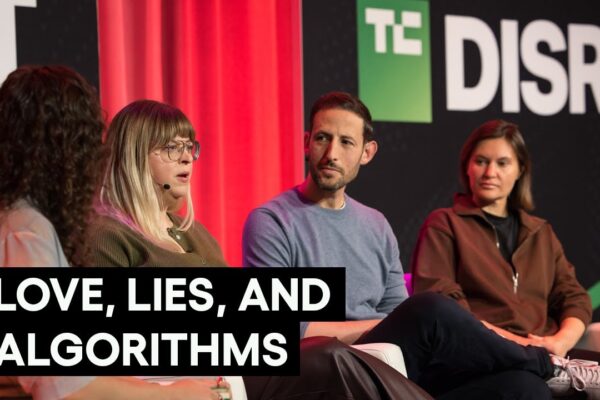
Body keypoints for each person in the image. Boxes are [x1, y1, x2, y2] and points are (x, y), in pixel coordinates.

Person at [242, 91, 600, 399]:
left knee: (524, 388)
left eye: (346, 142)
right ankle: (548, 365)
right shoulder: (272, 221)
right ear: (306, 142)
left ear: (367, 152)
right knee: (429, 308)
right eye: (323, 138)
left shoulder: (375, 224)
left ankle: (542, 371)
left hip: (393, 360)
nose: (331, 153)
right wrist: (385, 325)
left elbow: (397, 311)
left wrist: (397, 323)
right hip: (329, 363)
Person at [90, 99, 433, 400]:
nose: (185, 158)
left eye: (189, 147)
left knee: (337, 357)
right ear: (133, 155)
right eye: (170, 148)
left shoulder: (193, 232)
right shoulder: (108, 235)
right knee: (328, 355)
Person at [0, 66, 229, 399]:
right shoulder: (29, 232)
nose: (93, 157)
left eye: (188, 147)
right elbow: (58, 382)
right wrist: (174, 393)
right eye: (84, 142)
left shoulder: (31, 225)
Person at [410, 120, 593, 359]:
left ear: (520, 170)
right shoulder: (445, 223)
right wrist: (524, 346)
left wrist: (560, 342)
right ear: (467, 167)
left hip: (546, 353)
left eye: (503, 163)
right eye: (481, 161)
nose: (490, 173)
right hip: (480, 354)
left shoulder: (541, 232)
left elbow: (573, 297)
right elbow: (446, 305)